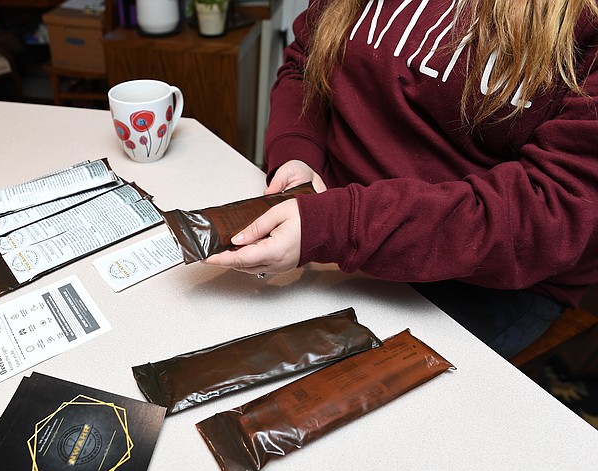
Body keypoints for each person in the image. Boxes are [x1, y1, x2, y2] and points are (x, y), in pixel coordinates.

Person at [203, 0, 598, 358]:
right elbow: (306, 65)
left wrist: (340, 223)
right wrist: (297, 154)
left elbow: (551, 210)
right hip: (326, 225)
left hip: (485, 276)